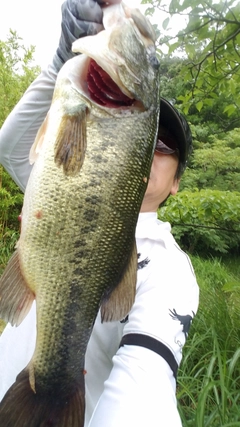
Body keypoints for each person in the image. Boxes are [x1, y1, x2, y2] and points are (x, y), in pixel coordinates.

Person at [0, 1, 199, 426]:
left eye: (165, 148)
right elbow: (10, 148)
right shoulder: (62, 189)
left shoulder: (170, 269)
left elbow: (147, 377)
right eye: (153, 137)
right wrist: (60, 63)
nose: (153, 151)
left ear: (177, 181)